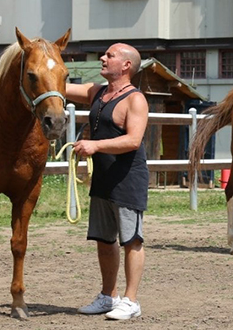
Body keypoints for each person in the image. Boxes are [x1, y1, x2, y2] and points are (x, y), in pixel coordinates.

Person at [66, 43, 151, 320]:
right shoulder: (97, 92)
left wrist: (95, 145)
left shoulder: (135, 100)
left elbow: (133, 140)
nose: (103, 58)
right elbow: (59, 86)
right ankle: (108, 296)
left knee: (132, 240)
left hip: (128, 180)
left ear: (126, 65)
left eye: (109, 55)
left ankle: (131, 300)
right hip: (102, 179)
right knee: (104, 240)